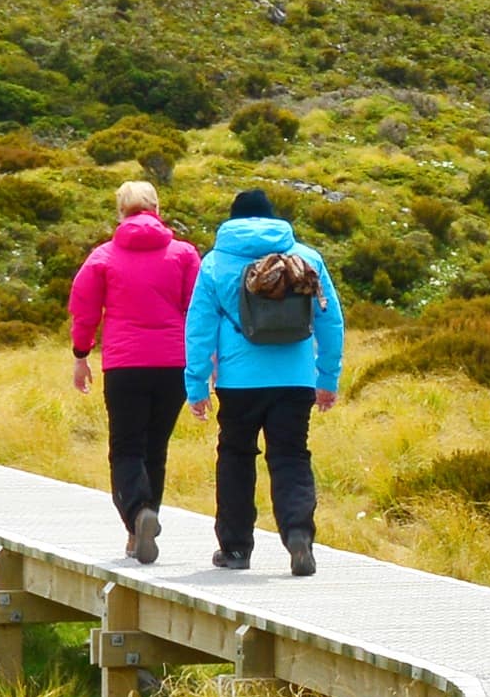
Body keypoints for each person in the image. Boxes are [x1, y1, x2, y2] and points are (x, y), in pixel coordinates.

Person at [185, 185, 344, 577]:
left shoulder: (215, 263)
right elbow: (330, 321)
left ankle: (236, 549)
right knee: (291, 456)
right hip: (295, 380)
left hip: (238, 383)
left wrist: (196, 384)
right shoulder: (307, 257)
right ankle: (298, 536)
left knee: (236, 457)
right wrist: (327, 376)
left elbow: (199, 329)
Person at [67, 177, 199, 566]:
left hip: (125, 365)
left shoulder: (103, 256)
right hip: (174, 363)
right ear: (157, 210)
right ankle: (143, 523)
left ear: (120, 212)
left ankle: (137, 517)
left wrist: (80, 355)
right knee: (154, 449)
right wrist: (205, 360)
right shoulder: (184, 254)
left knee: (126, 448)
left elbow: (85, 309)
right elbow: (198, 310)